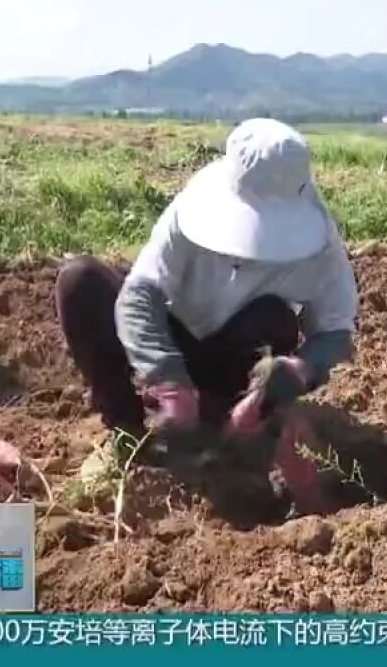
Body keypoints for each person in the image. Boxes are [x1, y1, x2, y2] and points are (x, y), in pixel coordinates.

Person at [54, 118, 358, 508]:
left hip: (239, 357)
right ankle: (129, 438)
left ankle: (229, 431)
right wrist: (168, 381)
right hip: (174, 334)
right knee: (80, 282)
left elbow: (334, 330)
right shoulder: (192, 207)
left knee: (274, 317)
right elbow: (139, 296)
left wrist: (296, 373)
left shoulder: (322, 245)